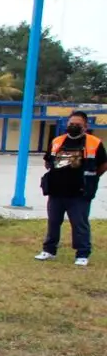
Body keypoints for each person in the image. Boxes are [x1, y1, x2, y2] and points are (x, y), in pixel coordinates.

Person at [34, 111, 107, 267]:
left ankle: (82, 253)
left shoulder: (94, 142)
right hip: (57, 191)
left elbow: (102, 165)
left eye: (77, 124)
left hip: (80, 192)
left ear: (85, 126)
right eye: (71, 123)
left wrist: (92, 178)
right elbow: (48, 161)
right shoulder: (57, 141)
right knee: (53, 221)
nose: (73, 126)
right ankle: (49, 250)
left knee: (79, 223)